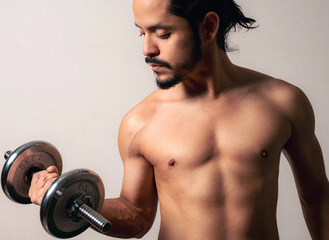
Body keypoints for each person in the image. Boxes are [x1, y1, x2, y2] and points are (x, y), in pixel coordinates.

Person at [29, 0, 329, 239]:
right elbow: (137, 216)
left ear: (208, 27)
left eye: (163, 34)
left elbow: (317, 195)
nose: (147, 49)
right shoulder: (141, 123)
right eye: (141, 32)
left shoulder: (281, 102)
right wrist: (73, 202)